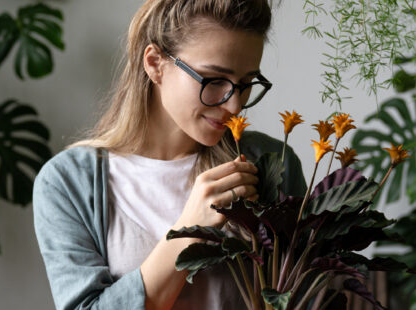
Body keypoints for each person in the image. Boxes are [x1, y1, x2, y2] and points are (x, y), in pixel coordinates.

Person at [33, 1, 306, 309]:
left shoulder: (270, 162)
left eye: (245, 84)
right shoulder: (68, 183)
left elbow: (310, 295)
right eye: (214, 80)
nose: (234, 106)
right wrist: (189, 230)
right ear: (155, 63)